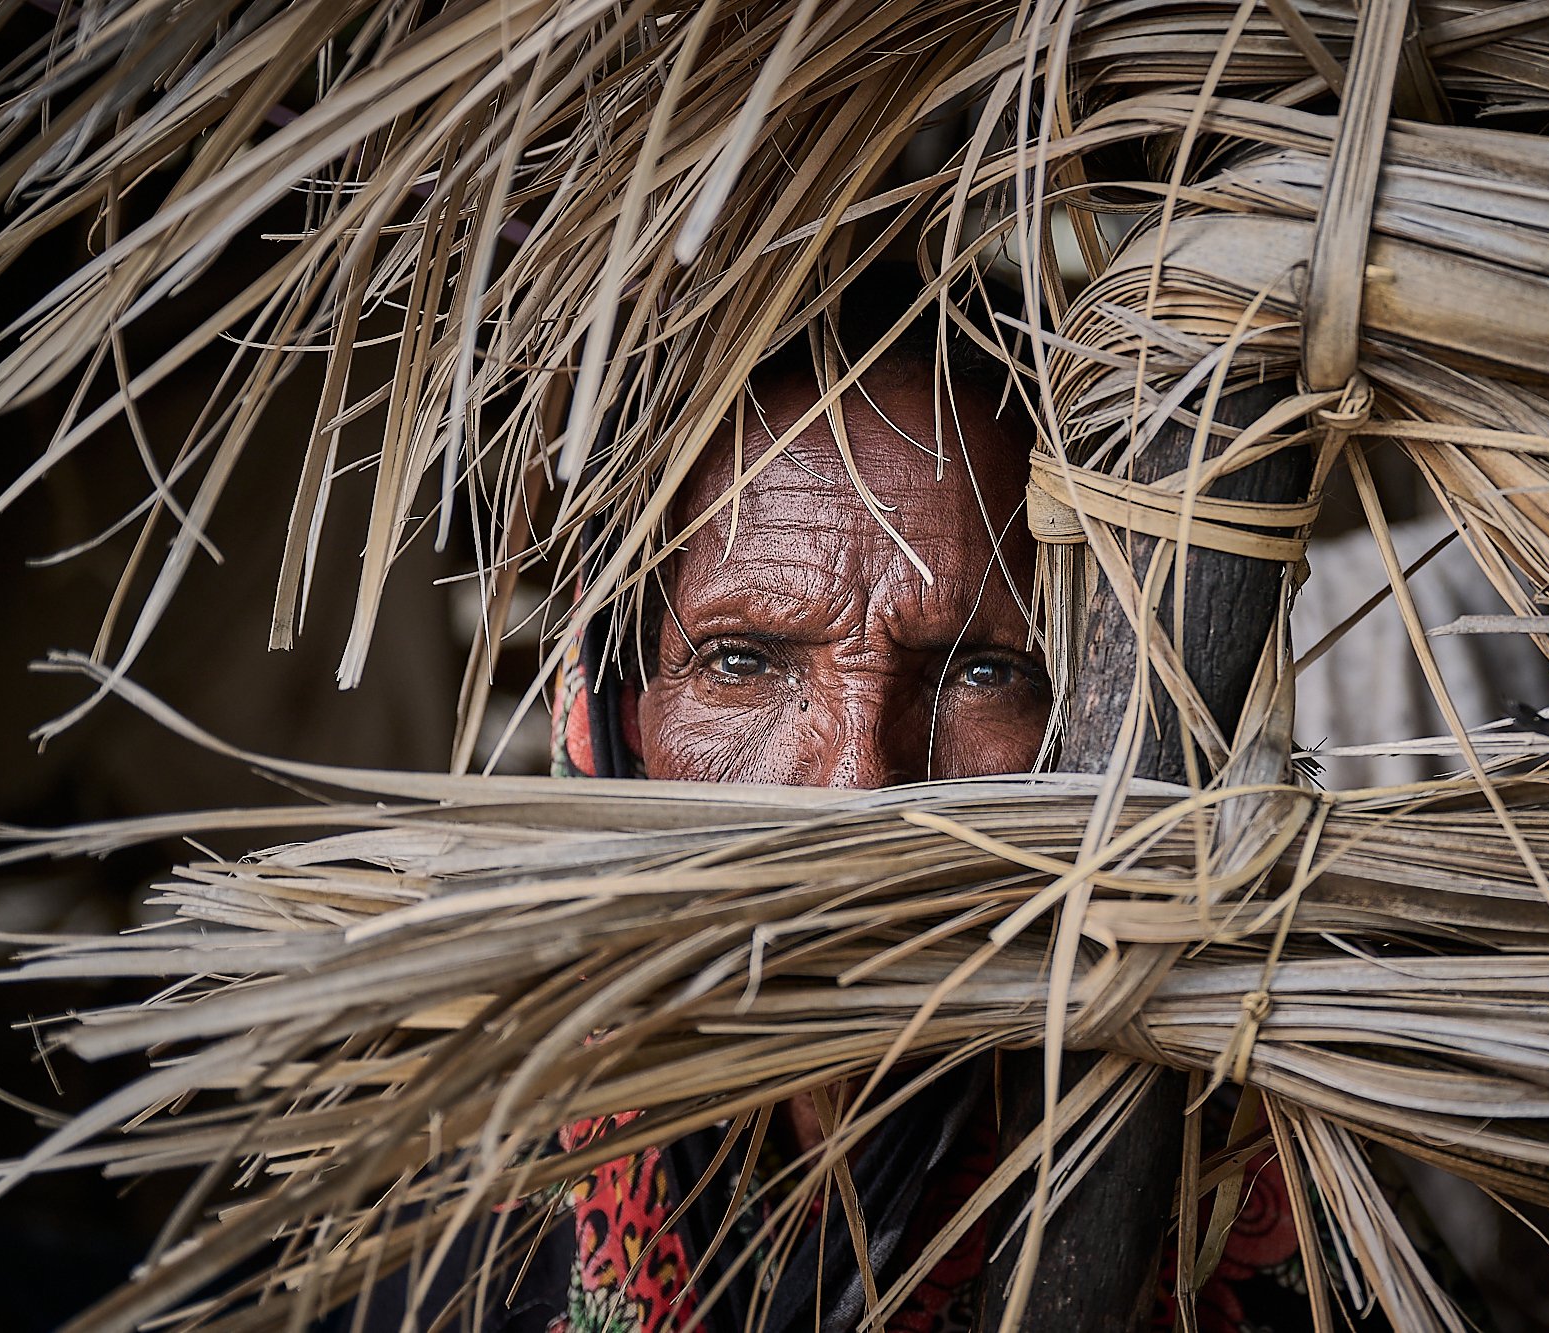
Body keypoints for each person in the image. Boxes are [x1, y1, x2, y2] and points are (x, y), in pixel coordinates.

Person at [352, 280, 1322, 1333]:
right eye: (739, 660)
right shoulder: (475, 1178)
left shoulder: (1237, 1194)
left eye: (979, 672)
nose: (859, 780)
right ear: (620, 720)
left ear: (1094, 712)